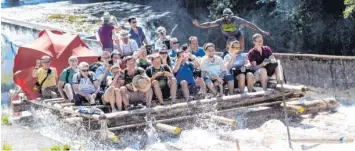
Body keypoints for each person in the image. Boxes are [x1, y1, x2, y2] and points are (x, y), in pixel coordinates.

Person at [193, 8, 270, 51]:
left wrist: (261, 31)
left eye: (230, 17)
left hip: (237, 34)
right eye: (227, 17)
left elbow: (249, 24)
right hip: (227, 36)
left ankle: (241, 53)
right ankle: (227, 53)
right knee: (231, 48)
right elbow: (209, 24)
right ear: (224, 17)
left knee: (241, 42)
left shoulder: (236, 19)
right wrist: (200, 25)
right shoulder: (221, 21)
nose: (229, 19)